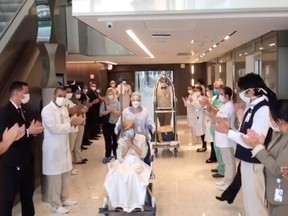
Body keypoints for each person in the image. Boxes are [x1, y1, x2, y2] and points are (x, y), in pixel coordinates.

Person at [215, 73, 277, 216]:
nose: (239, 93)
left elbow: (253, 141)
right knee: (249, 200)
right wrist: (236, 122)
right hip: (246, 160)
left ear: (252, 90)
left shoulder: (263, 108)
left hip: (254, 160)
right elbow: (245, 133)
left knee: (255, 203)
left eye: (241, 90)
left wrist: (228, 132)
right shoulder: (252, 107)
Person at [0, 81, 44, 216]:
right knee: (8, 198)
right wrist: (28, 132)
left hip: (26, 160)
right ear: (18, 93)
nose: (27, 95)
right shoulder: (4, 112)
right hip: (13, 162)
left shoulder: (24, 110)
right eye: (26, 92)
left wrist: (33, 131)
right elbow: (7, 137)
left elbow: (25, 132)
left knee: (27, 195)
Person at [41, 87, 85, 214]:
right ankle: (55, 204)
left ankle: (64, 198)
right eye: (60, 95)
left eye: (64, 96)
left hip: (64, 146)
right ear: (54, 96)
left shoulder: (64, 110)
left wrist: (77, 123)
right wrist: (71, 124)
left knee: (65, 174)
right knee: (55, 177)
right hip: (53, 148)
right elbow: (54, 128)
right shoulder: (47, 110)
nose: (62, 98)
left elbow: (68, 126)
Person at [242, 99, 288, 216]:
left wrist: (257, 147)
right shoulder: (280, 135)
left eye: (272, 119)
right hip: (274, 193)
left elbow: (277, 168)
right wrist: (260, 143)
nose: (270, 121)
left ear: (281, 121)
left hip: (283, 196)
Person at [104, 119, 151, 213]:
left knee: (132, 174)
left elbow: (143, 155)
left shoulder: (141, 138)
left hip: (137, 162)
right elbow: (120, 158)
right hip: (124, 162)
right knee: (119, 174)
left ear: (134, 128)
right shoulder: (121, 141)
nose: (128, 131)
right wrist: (127, 145)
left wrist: (132, 145)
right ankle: (119, 203)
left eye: (130, 128)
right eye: (126, 129)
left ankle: (136, 203)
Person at [208, 86, 236, 191]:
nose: (219, 96)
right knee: (226, 160)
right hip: (221, 136)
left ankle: (230, 181)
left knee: (229, 161)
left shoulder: (229, 106)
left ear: (227, 96)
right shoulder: (224, 105)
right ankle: (226, 180)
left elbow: (224, 121)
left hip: (226, 138)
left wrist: (214, 117)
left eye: (221, 94)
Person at [200, 80, 225, 178]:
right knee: (216, 148)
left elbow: (217, 111)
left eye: (217, 87)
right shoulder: (214, 97)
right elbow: (210, 109)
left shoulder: (222, 99)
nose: (214, 89)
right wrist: (207, 105)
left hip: (220, 126)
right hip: (213, 125)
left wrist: (209, 105)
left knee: (221, 150)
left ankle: (223, 170)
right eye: (214, 87)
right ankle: (220, 166)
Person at [100, 88, 121, 164]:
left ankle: (116, 154)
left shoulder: (118, 103)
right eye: (108, 94)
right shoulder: (104, 103)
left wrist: (113, 110)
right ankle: (107, 155)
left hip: (115, 124)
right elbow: (101, 113)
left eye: (111, 94)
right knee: (108, 140)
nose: (109, 96)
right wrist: (108, 111)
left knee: (116, 140)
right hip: (106, 124)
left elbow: (120, 113)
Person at [204, 85, 217, 163]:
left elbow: (212, 109)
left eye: (208, 90)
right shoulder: (210, 99)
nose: (207, 92)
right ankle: (213, 156)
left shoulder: (214, 100)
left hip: (213, 121)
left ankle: (213, 157)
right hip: (209, 121)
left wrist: (208, 105)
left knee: (213, 141)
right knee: (211, 141)